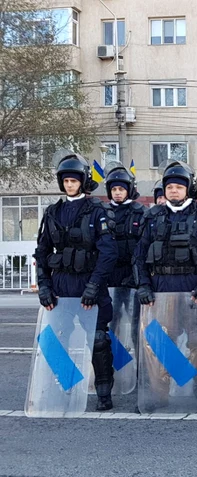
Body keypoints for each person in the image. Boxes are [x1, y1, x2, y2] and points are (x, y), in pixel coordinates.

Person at [133, 160, 197, 413]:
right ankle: (158, 394)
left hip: (194, 289)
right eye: (169, 187)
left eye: (178, 187)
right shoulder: (152, 216)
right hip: (160, 289)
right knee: (160, 343)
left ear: (189, 188)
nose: (173, 191)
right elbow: (139, 255)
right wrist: (143, 285)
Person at [34, 151, 118, 411]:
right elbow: (42, 251)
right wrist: (44, 287)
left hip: (89, 284)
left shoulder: (97, 211)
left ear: (83, 181)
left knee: (98, 340)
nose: (70, 184)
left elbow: (108, 252)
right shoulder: (52, 212)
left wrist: (94, 285)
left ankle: (104, 392)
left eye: (74, 180)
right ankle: (64, 386)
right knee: (56, 340)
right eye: (65, 181)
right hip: (60, 285)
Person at [104, 163, 145, 289]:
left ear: (129, 190)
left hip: (133, 272)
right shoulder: (101, 212)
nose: (117, 193)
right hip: (108, 271)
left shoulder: (141, 212)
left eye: (121, 189)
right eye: (113, 189)